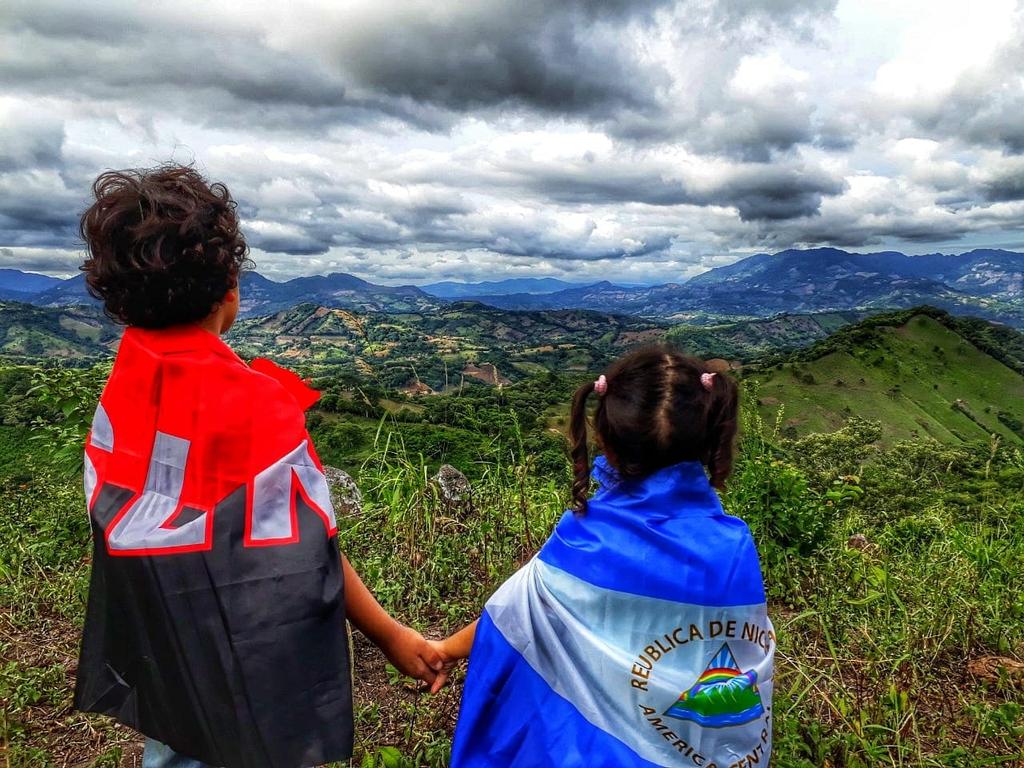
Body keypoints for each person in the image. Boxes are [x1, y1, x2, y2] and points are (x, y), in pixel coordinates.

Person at [73, 165, 445, 768]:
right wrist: (392, 635)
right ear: (230, 287)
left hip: (167, 643)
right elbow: (309, 547)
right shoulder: (256, 409)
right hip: (254, 663)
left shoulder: (127, 386)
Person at [434, 348, 775, 767]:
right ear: (708, 439)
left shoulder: (585, 540)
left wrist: (443, 651)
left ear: (606, 443)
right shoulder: (732, 547)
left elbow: (513, 613)